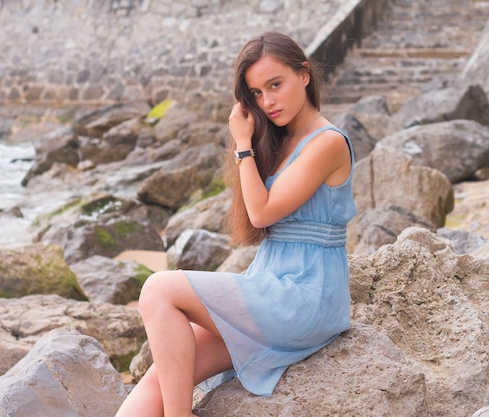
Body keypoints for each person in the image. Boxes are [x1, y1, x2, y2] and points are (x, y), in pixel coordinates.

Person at [114, 31, 357, 417]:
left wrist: (243, 142)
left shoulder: (327, 142)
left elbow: (261, 213)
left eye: (275, 85)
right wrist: (253, 142)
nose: (268, 101)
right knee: (161, 377)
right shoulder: (279, 140)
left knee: (159, 288)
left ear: (305, 74)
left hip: (304, 297)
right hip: (270, 287)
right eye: (257, 94)